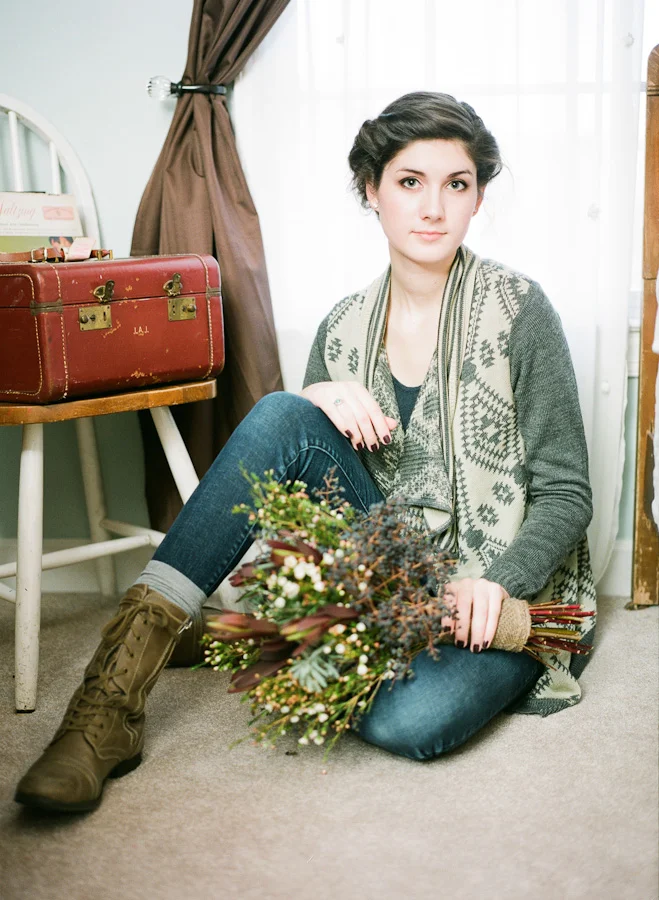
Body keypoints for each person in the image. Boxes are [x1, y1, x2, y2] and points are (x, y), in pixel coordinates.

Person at [15, 92, 596, 813]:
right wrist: (315, 400)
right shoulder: (344, 325)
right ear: (371, 191)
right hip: (388, 572)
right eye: (409, 182)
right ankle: (107, 705)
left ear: (478, 198)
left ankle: (280, 631)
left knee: (407, 722)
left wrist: (499, 581)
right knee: (283, 411)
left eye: (457, 184)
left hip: (488, 592)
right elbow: (300, 485)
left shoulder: (520, 310)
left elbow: (567, 491)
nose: (433, 208)